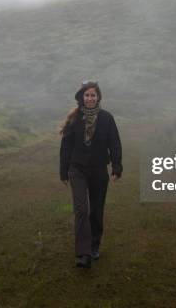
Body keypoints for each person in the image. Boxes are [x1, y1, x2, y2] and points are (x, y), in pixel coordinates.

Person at [59, 81, 123, 269]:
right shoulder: (73, 119)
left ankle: (95, 244)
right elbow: (66, 147)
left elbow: (115, 143)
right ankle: (83, 253)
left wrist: (117, 167)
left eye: (93, 95)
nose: (89, 98)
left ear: (98, 97)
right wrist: (63, 171)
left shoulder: (107, 118)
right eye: (86, 95)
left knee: (96, 209)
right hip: (77, 169)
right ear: (81, 97)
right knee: (81, 209)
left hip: (98, 170)